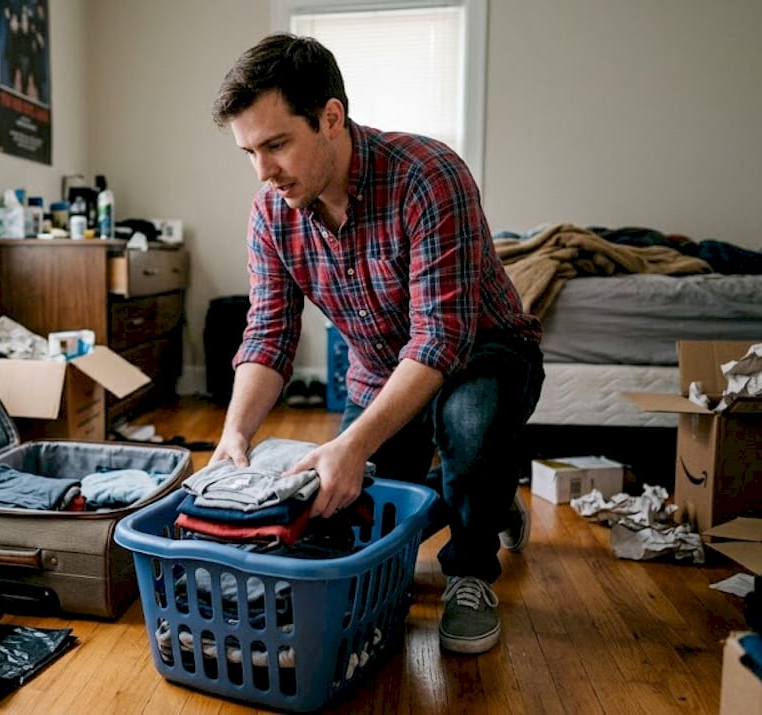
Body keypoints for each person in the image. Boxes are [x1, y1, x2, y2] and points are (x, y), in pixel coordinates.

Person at [209, 33, 545, 655]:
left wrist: (349, 441)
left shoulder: (428, 176)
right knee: (353, 503)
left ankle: (472, 568)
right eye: (249, 151)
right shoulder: (271, 214)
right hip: (381, 370)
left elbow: (440, 340)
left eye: (277, 144)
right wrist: (235, 434)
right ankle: (491, 499)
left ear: (331, 118)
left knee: (469, 431)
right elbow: (269, 333)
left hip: (487, 354)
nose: (263, 171)